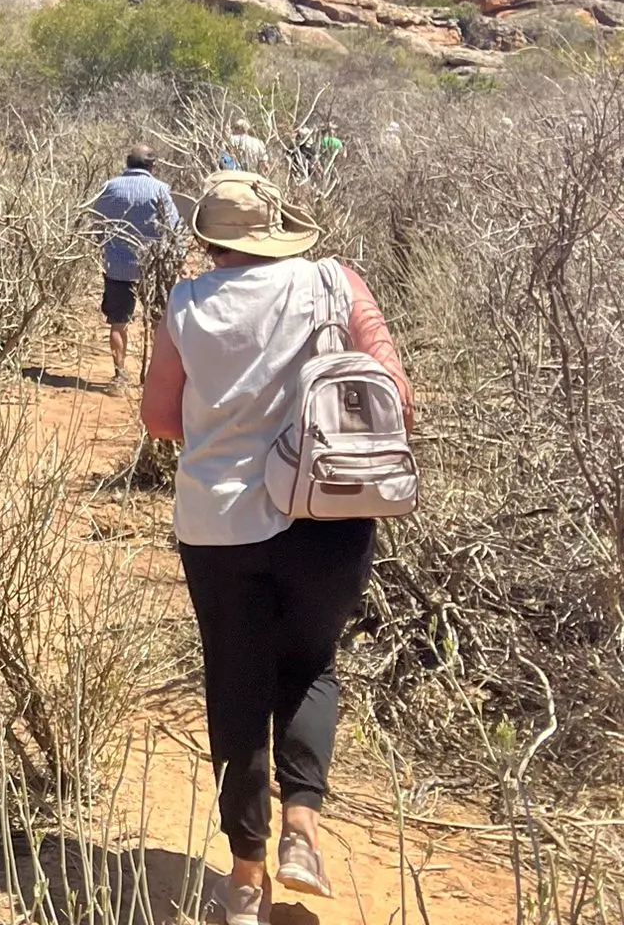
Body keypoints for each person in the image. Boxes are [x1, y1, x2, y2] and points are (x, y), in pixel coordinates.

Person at [138, 170, 415, 925]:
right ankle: (302, 828)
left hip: (219, 524)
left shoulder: (188, 303)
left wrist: (226, 432)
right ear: (277, 230)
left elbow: (159, 418)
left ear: (210, 242)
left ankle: (244, 881)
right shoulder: (335, 284)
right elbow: (396, 395)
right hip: (328, 515)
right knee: (311, 666)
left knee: (236, 685)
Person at [85, 146, 181, 390]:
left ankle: (119, 375)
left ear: (128, 162)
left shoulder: (109, 188)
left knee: (118, 323)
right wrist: (175, 258)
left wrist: (106, 247)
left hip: (117, 266)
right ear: (151, 165)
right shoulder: (159, 189)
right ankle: (156, 376)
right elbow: (173, 228)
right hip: (153, 268)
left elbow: (96, 223)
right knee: (159, 322)